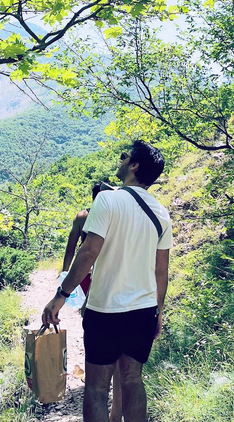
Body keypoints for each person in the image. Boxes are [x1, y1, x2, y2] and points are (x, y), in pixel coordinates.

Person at [43, 141, 173, 422]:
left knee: (97, 386)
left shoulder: (107, 200)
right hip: (143, 311)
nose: (121, 160)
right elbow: (161, 271)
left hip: (106, 311)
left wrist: (61, 295)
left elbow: (88, 252)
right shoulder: (161, 213)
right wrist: (158, 312)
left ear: (134, 165)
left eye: (125, 156)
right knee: (133, 380)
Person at [61, 181, 124, 422]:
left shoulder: (84, 216)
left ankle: (98, 354)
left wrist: (66, 275)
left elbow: (72, 247)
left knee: (92, 316)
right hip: (107, 275)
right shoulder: (113, 215)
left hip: (88, 273)